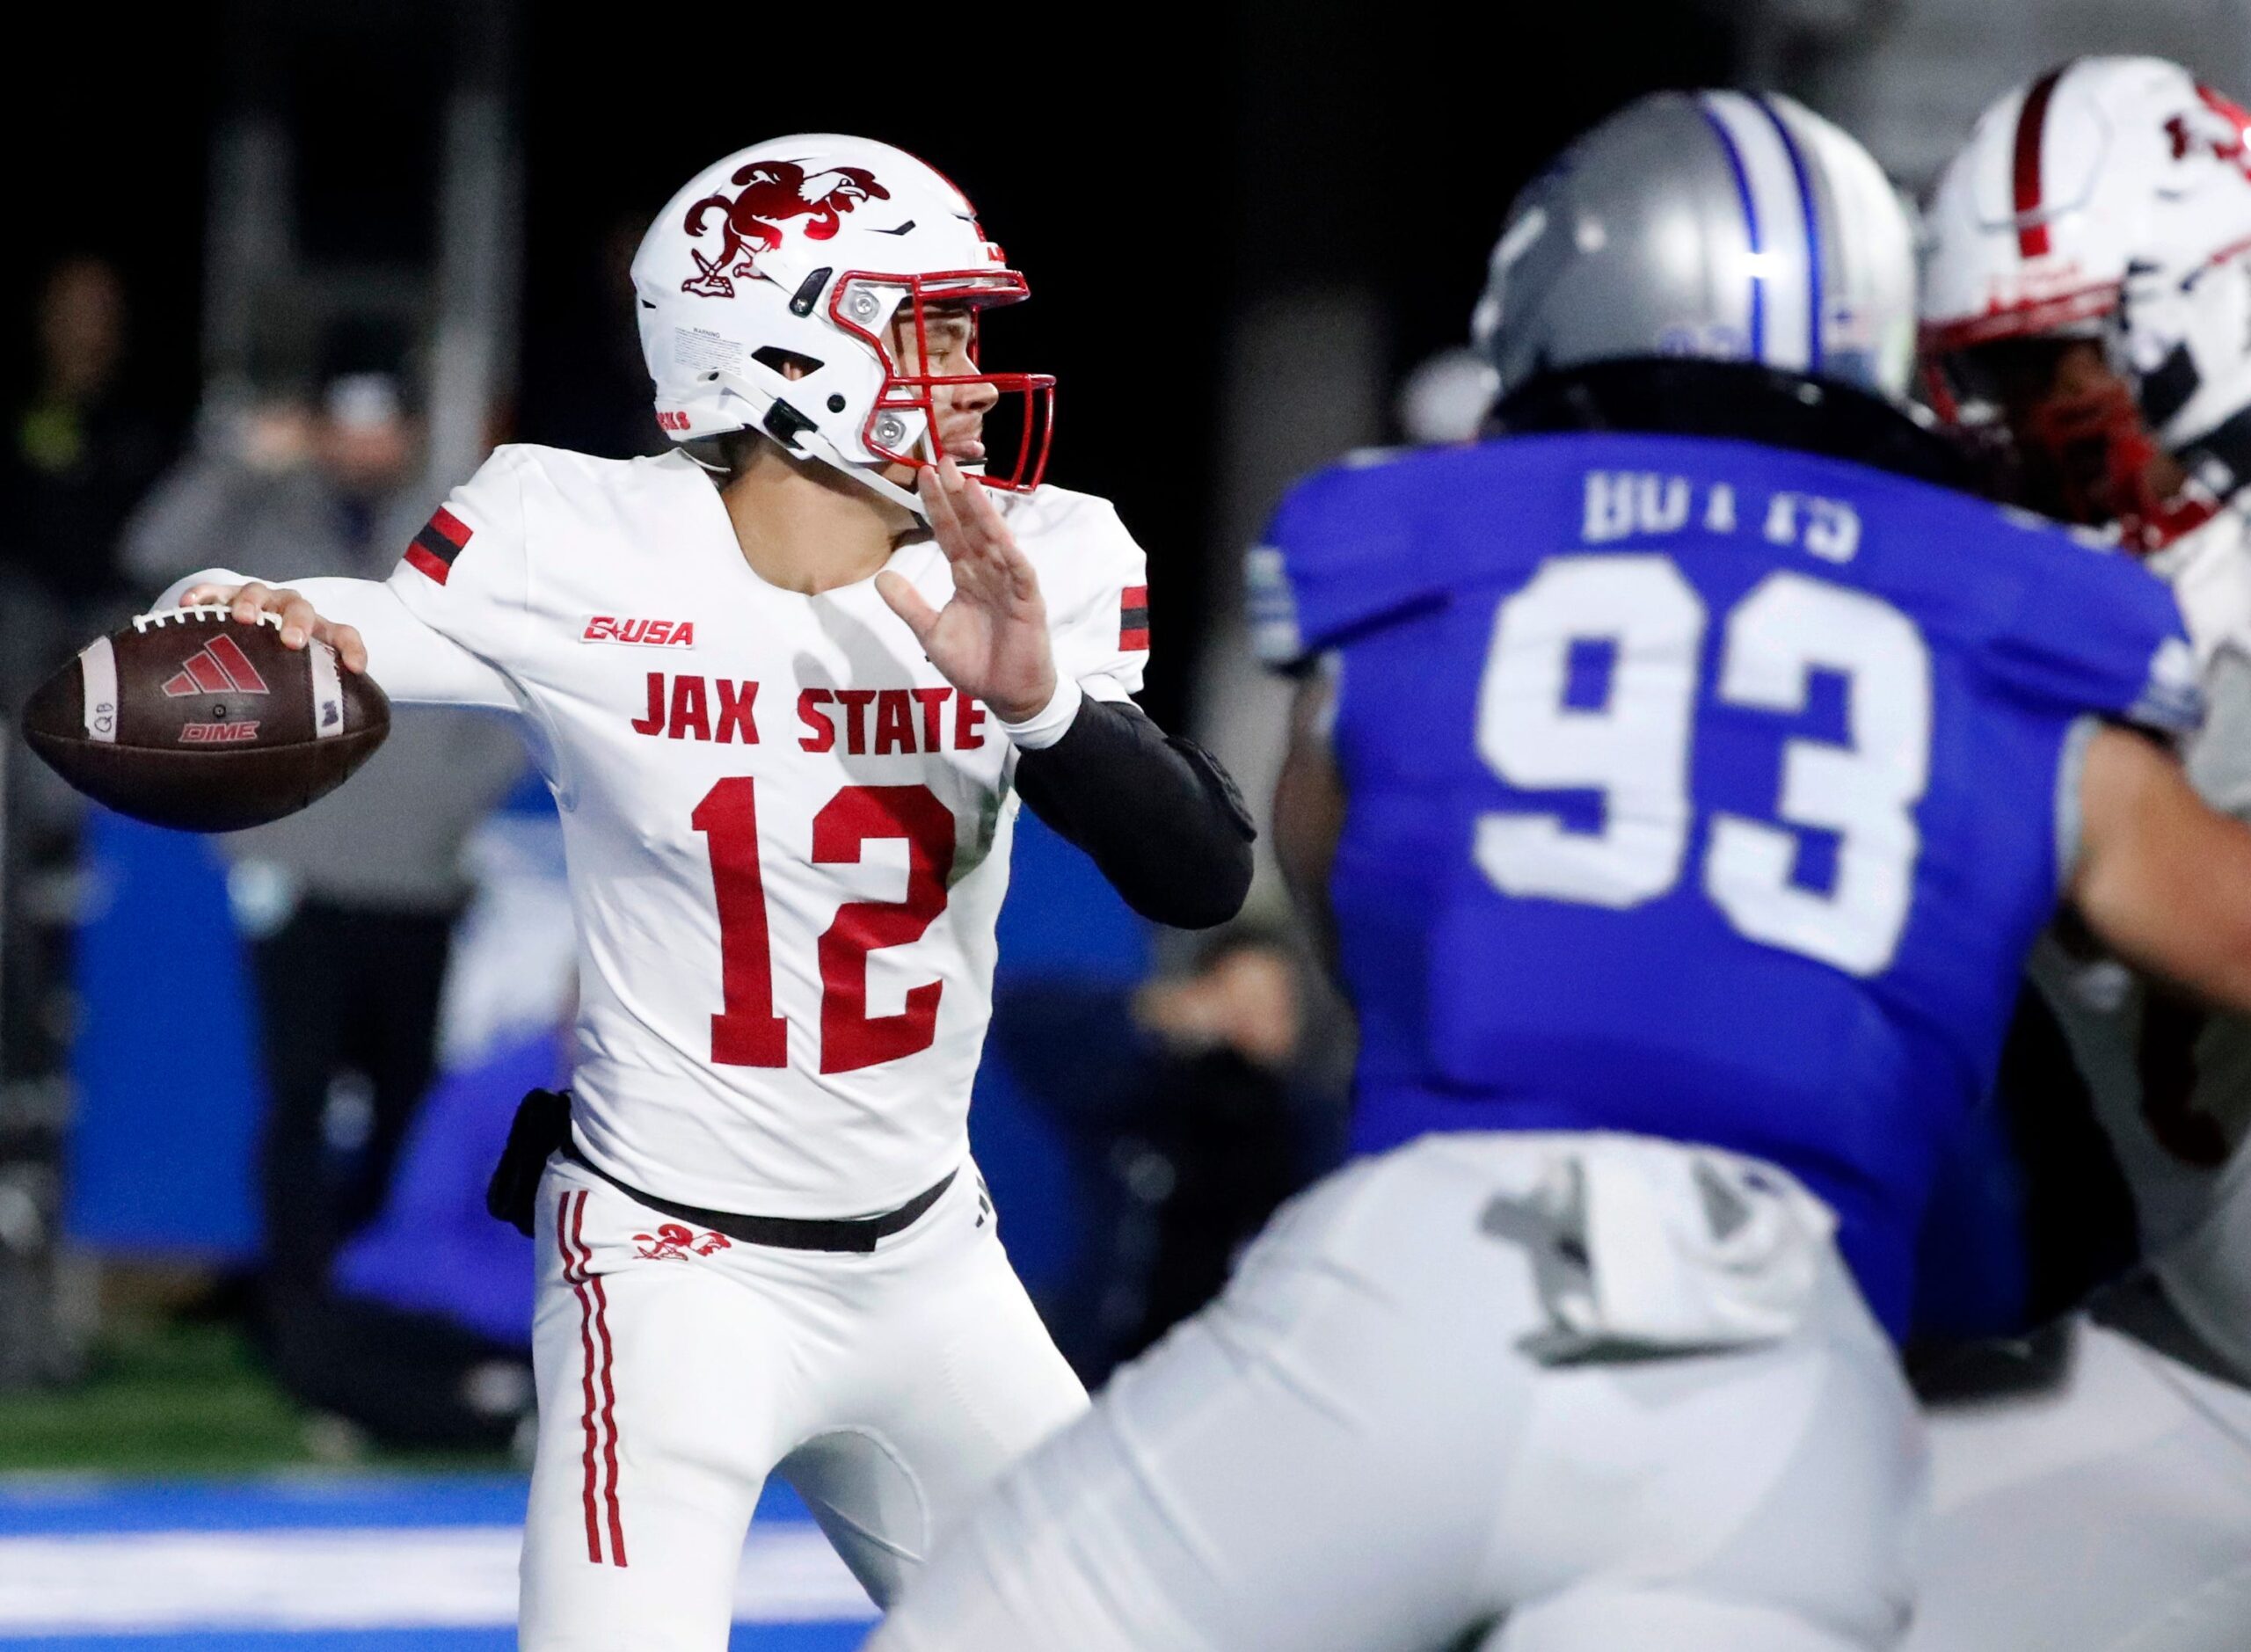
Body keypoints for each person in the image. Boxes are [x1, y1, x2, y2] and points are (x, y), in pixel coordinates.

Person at [862, 90, 2251, 1652]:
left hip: (1441, 1275)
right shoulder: (2025, 620)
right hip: (1795, 1372)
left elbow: (1340, 877)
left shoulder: (1411, 541)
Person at [150, 135, 1252, 1651]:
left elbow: (1199, 871)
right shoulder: (581, 540)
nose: (976, 375)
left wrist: (1049, 708)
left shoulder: (1038, 558)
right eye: (929, 329)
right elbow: (341, 637)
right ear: (785, 346)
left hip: (935, 1259)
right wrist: (228, 613)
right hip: (673, 1270)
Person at [1909, 56, 2251, 1651]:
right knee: (1806, 1573)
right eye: (1981, 381)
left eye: (2054, 373)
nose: (2009, 434)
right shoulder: (2033, 636)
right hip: (2210, 1352)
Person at [125, 363, 527, 1355]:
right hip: (298, 861)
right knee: (296, 1093)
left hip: (416, 869)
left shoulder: (454, 526)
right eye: (340, 428)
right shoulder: (264, 516)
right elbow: (152, 557)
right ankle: (301, 1313)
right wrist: (238, 466)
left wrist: (449, 795)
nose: (360, 449)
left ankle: (382, 1298)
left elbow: (526, 661)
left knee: (405, 1095)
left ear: (410, 431)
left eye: (379, 428)